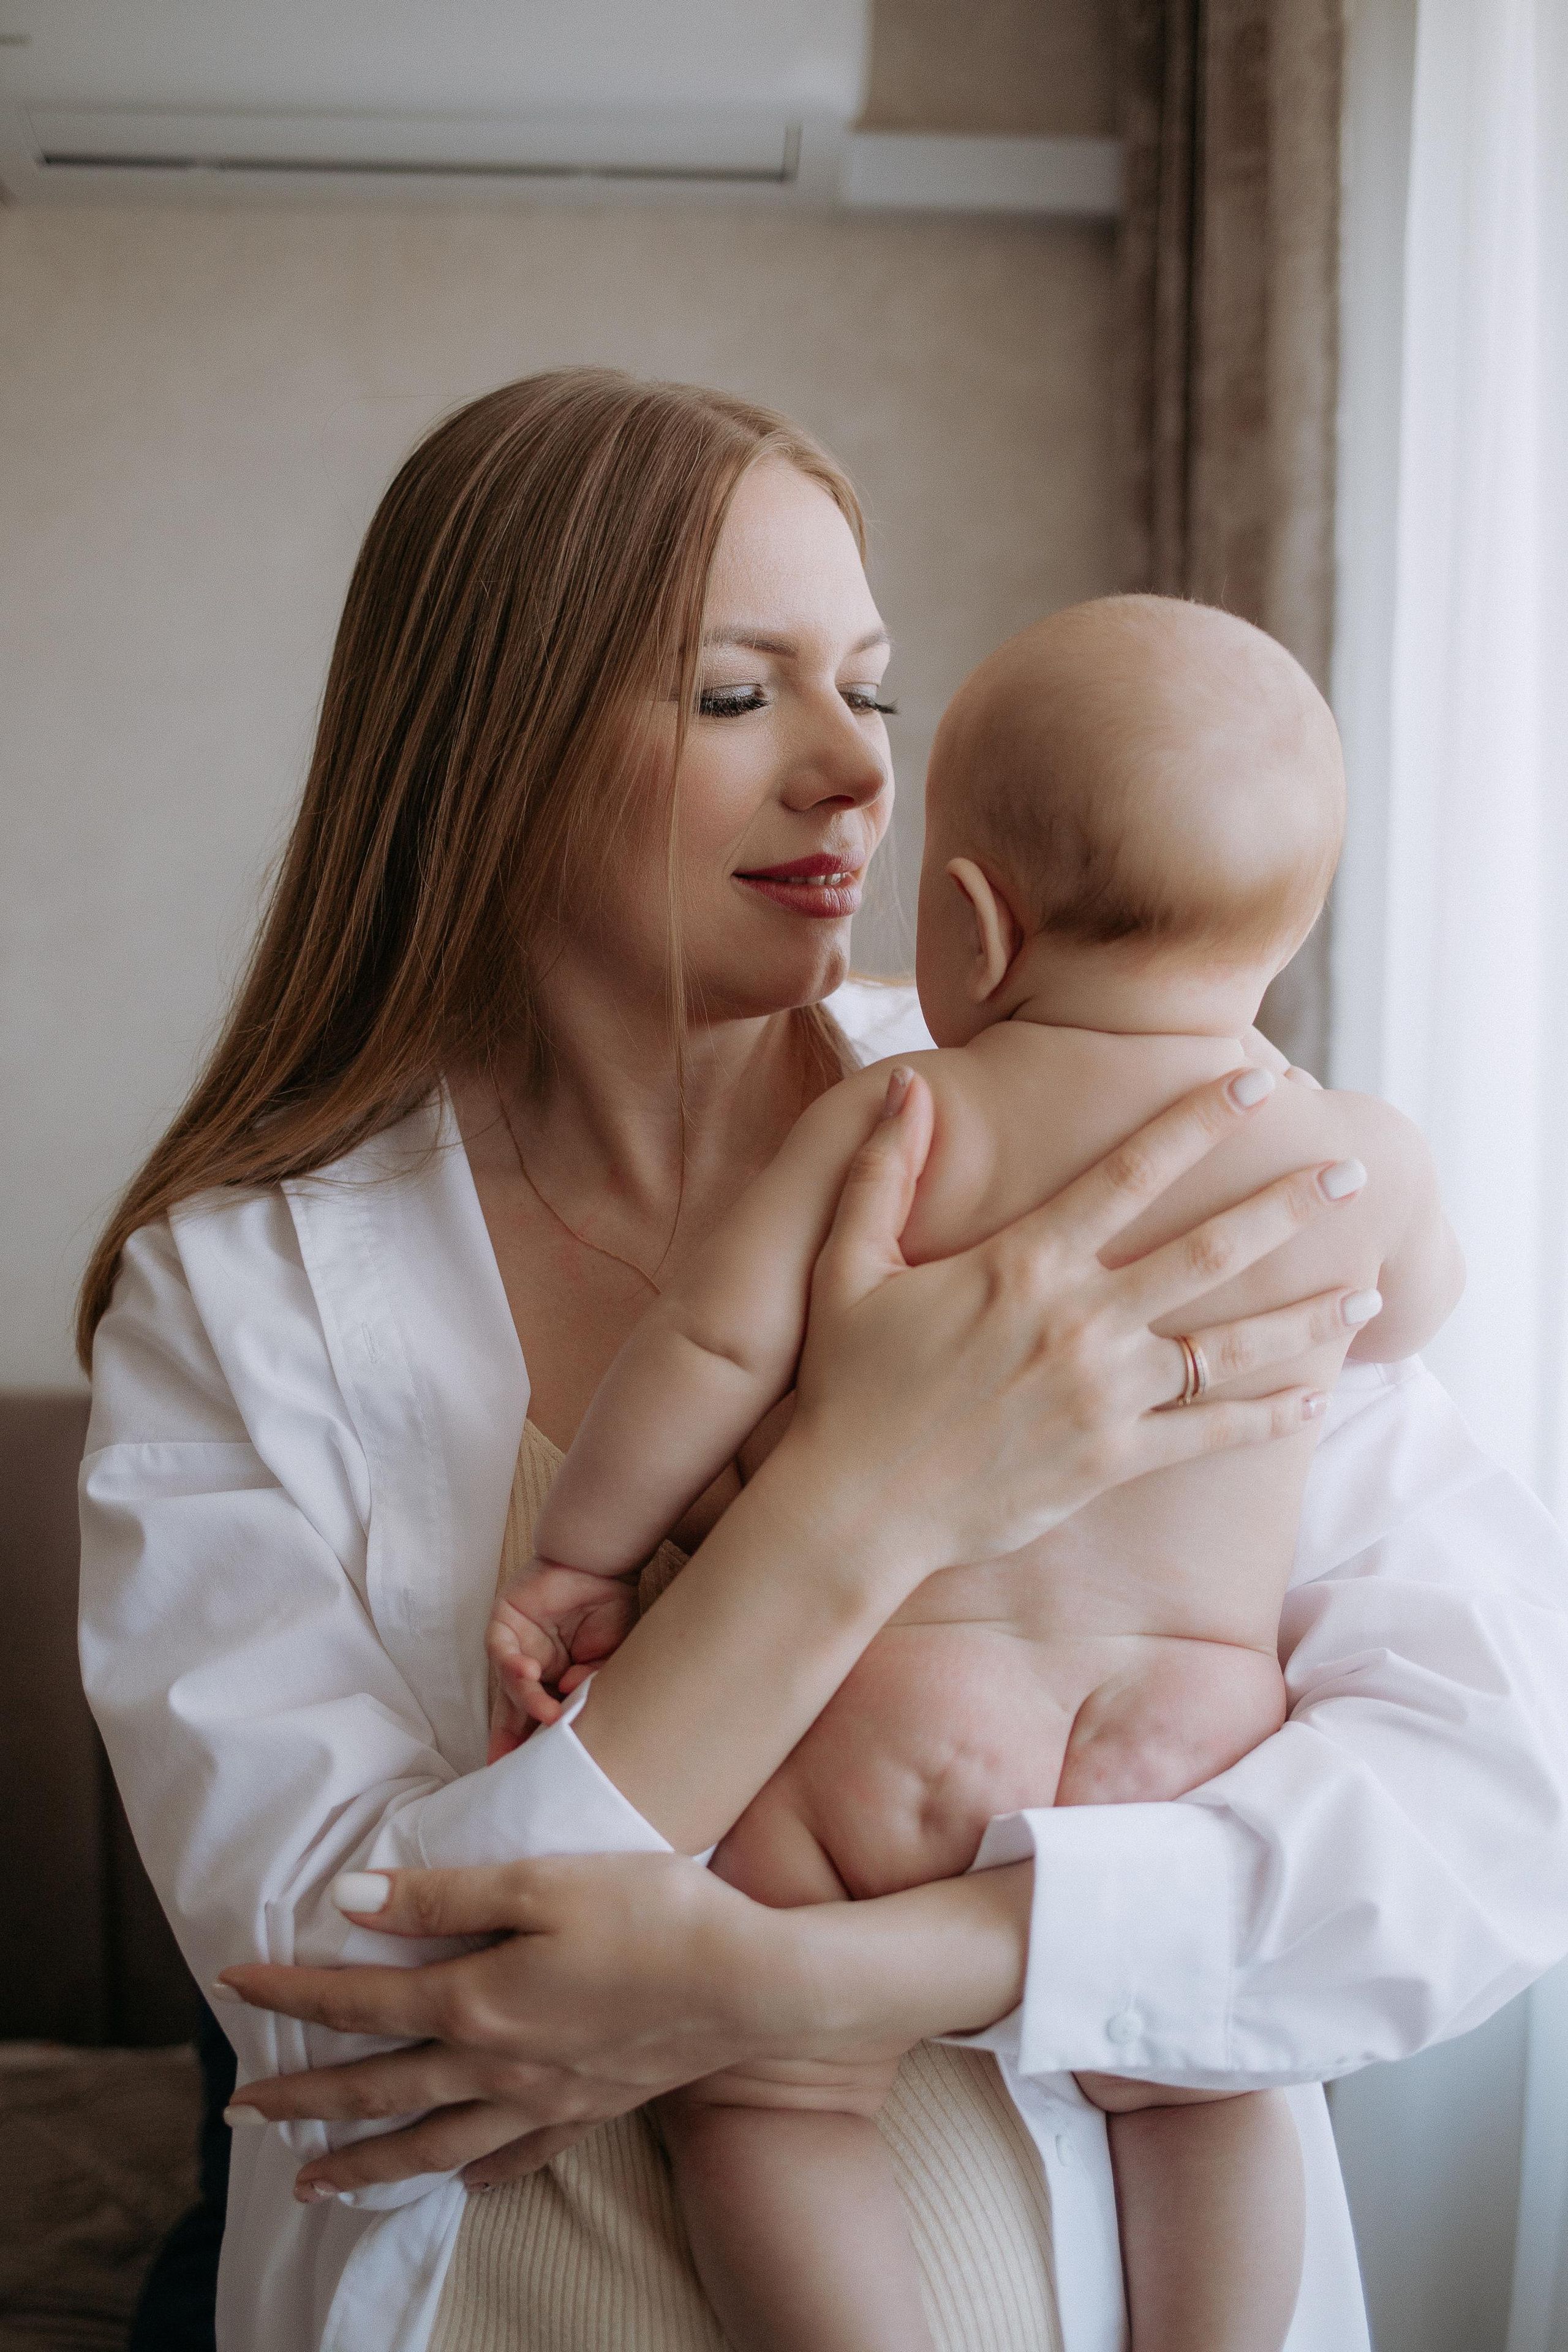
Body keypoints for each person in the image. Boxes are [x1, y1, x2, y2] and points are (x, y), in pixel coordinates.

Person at [77, 371, 1568, 2352]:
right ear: (487, 754)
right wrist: (863, 1510)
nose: (856, 775)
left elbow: (1479, 1822)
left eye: (870, 690)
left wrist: (838, 1983)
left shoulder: (1149, 1145)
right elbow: (354, 2021)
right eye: (734, 695)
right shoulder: (237, 1293)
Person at [482, 594, 1463, 2352]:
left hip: (895, 1728)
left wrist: (585, 1558)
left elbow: (708, 1354)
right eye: (734, 692)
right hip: (1190, 1742)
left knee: (771, 2097)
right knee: (1208, 2072)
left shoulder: (901, 1116)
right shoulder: (1356, 1157)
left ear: (968, 920)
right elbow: (1402, 1328)